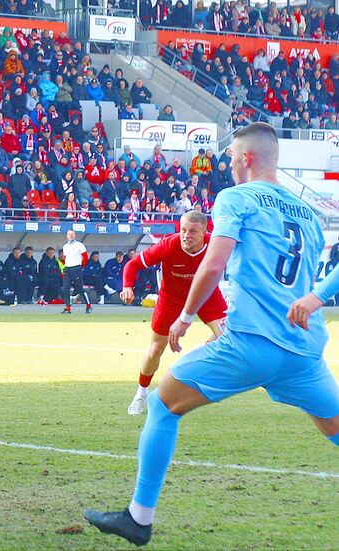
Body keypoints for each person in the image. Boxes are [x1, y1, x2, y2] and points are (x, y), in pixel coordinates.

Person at [84, 122, 339, 545]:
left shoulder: (235, 197)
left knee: (164, 405)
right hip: (302, 351)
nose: (230, 165)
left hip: (251, 342)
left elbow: (215, 263)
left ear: (248, 158)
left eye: (233, 158)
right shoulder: (311, 216)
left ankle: (138, 518)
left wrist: (185, 316)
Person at [119, 211, 228, 415]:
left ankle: (196, 358)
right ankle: (141, 393)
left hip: (207, 295)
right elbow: (132, 265)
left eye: (193, 231)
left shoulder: (216, 245)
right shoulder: (169, 244)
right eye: (183, 229)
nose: (186, 235)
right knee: (155, 348)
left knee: (228, 337)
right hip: (171, 299)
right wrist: (127, 286)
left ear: (205, 231)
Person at [60, 230, 92, 314]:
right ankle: (68, 307)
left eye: (72, 234)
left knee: (80, 288)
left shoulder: (79, 245)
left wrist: (82, 267)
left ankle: (88, 305)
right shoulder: (65, 246)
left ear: (75, 236)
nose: (71, 236)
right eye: (69, 234)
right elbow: (65, 258)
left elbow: (85, 257)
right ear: (67, 236)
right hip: (67, 269)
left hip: (77, 268)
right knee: (65, 289)